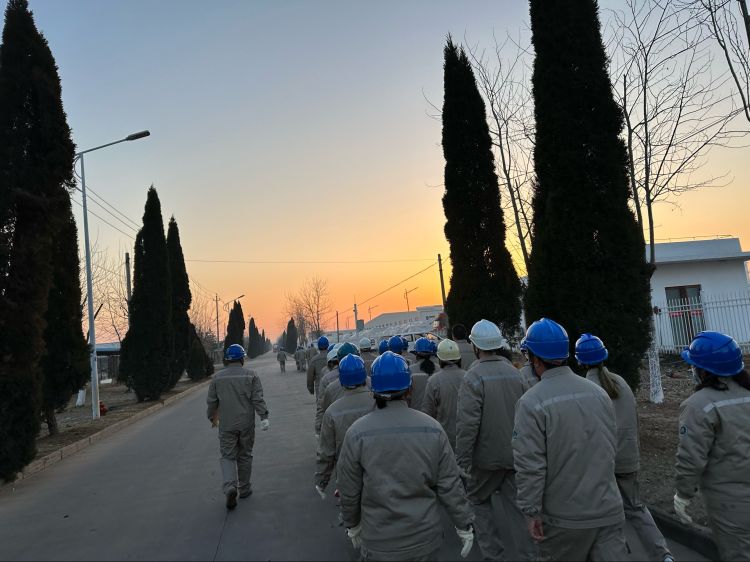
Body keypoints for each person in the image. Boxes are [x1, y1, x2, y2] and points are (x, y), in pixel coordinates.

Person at [337, 351, 475, 561]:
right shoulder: (432, 428)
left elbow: (349, 488)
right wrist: (463, 524)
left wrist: (352, 524)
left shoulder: (356, 433)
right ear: (409, 389)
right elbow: (449, 483)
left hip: (379, 543)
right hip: (425, 541)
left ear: (373, 391)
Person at [513, 318, 626, 561]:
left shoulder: (532, 402)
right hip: (608, 509)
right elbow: (609, 448)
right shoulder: (599, 393)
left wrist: (531, 511)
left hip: (565, 519)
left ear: (534, 358)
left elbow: (530, 465)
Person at [576, 334, 673, 562]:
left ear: (580, 361)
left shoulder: (585, 388)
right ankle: (663, 555)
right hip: (628, 458)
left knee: (606, 515)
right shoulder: (621, 382)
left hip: (603, 463)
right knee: (636, 508)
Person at [455, 319, 533, 561]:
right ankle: (528, 556)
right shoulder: (516, 374)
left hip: (484, 461)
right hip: (514, 456)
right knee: (518, 509)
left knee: (478, 502)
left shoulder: (473, 377)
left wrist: (462, 462)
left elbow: (467, 425)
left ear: (476, 346)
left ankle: (493, 555)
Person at [674, 331, 750, 561]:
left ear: (704, 370)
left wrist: (683, 494)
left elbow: (691, 456)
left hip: (731, 503)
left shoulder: (699, 405)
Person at [206, 344, 269, 510]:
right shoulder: (251, 375)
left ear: (227, 359)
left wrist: (212, 417)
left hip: (226, 425)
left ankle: (230, 487)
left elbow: (212, 402)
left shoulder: (217, 378)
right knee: (245, 455)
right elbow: (257, 398)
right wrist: (263, 416)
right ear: (242, 358)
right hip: (246, 424)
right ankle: (245, 488)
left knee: (227, 456)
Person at [314, 353, 373, 498]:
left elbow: (326, 451)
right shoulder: (378, 402)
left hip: (346, 472)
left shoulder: (332, 411)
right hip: (375, 471)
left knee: (349, 507)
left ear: (341, 380)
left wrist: (322, 481)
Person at [421, 338, 465, 449]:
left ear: (439, 359)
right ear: (459, 358)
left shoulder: (434, 381)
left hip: (444, 439)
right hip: (467, 438)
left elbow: (427, 414)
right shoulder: (469, 377)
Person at [316, 342, 359, 434]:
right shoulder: (369, 382)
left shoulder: (328, 383)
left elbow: (322, 407)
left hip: (339, 427)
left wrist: (319, 426)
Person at [408, 337, 437, 410]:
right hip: (434, 413)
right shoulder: (439, 369)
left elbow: (407, 396)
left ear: (416, 354)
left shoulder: (410, 370)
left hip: (416, 412)